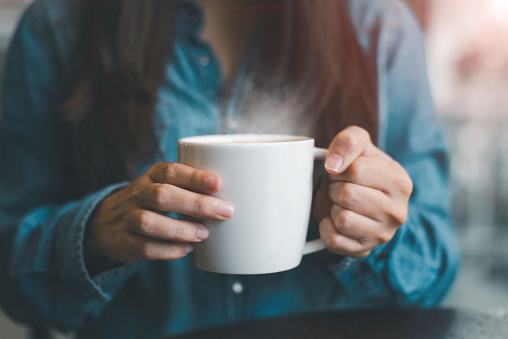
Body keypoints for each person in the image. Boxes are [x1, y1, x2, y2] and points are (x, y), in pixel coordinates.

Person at [0, 0, 459, 337]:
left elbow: (435, 267)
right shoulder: (58, 27)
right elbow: (9, 274)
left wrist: (371, 231)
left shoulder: (380, 28)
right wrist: (94, 235)